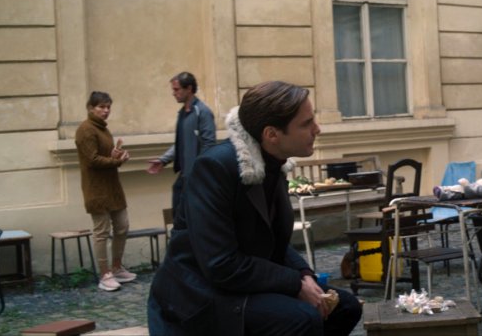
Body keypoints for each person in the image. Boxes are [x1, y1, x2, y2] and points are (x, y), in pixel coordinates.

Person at [147, 81, 362, 335]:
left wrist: (304, 274)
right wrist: (295, 284)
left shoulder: (274, 163)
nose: (317, 129)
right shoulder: (215, 167)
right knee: (303, 318)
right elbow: (220, 264)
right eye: (306, 124)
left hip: (239, 282)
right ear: (271, 134)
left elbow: (274, 242)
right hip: (198, 294)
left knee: (345, 307)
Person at [74, 91, 138, 292]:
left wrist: (115, 155)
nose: (106, 110)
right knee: (101, 232)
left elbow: (104, 156)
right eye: (101, 107)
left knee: (122, 226)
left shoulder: (103, 129)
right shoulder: (85, 130)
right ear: (91, 108)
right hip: (96, 189)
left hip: (112, 186)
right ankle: (104, 274)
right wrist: (116, 161)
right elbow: (92, 160)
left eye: (108, 107)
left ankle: (117, 267)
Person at [147, 72, 216, 211]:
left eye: (176, 89)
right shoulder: (183, 113)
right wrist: (163, 160)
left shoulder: (203, 112)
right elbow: (181, 143)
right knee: (178, 210)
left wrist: (200, 172)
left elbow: (209, 145)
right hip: (185, 175)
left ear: (189, 88)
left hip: (197, 176)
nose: (173, 93)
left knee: (193, 215)